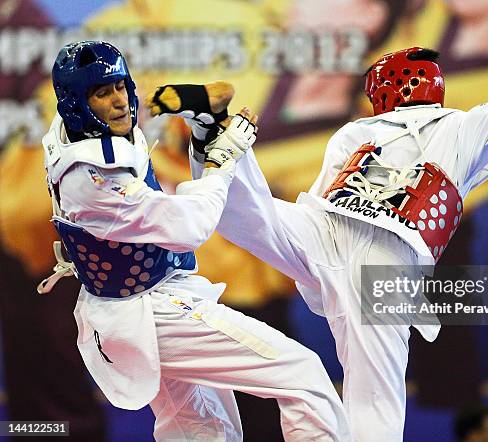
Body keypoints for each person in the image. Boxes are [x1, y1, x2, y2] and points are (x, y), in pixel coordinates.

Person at [191, 47, 488, 441]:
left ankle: (211, 135)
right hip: (385, 257)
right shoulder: (466, 123)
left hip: (326, 233)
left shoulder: (355, 132)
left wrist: (322, 283)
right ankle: (214, 138)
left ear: (382, 90)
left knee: (245, 214)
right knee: (374, 400)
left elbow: (317, 200)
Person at [41, 40, 350, 442]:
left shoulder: (74, 130)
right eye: (102, 94)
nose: (119, 102)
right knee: (302, 373)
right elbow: (191, 226)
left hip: (140, 301)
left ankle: (206, 124)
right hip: (149, 312)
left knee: (201, 432)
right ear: (76, 105)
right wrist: (223, 163)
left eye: (120, 87)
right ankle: (209, 130)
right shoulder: (94, 179)